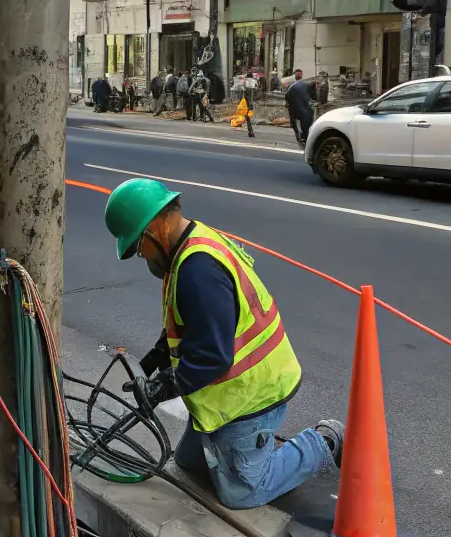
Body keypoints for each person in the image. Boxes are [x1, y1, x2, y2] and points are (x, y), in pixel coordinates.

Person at [104, 179, 343, 509]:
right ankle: (246, 450)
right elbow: (189, 324)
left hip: (252, 395)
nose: (140, 255)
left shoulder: (197, 271)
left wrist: (164, 386)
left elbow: (213, 356)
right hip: (226, 393)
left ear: (153, 231)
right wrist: (153, 360)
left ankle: (323, 441)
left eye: (137, 247)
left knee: (241, 493)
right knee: (189, 463)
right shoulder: (190, 247)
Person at [285, 69, 318, 146]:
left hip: (303, 107)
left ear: (302, 74)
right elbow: (287, 96)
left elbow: (313, 96)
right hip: (295, 107)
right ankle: (301, 137)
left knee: (303, 123)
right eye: (297, 74)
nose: (298, 75)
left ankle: (303, 137)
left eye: (299, 74)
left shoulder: (306, 84)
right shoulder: (292, 84)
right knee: (297, 123)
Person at [242, 71, 258, 139]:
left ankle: (251, 132)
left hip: (248, 104)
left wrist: (244, 80)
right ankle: (251, 132)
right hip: (251, 103)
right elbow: (257, 87)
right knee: (248, 118)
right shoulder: (253, 83)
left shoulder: (247, 85)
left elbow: (244, 88)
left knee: (248, 118)